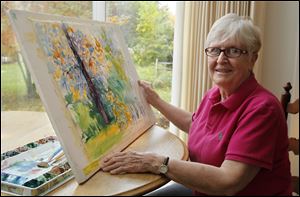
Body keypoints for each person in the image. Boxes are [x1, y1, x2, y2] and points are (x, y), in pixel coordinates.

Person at [101, 13, 292, 195]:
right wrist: (155, 100)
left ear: (252, 58)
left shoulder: (262, 109)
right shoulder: (214, 94)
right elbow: (196, 125)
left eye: (234, 51)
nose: (221, 59)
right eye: (215, 50)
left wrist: (154, 162)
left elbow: (229, 181)